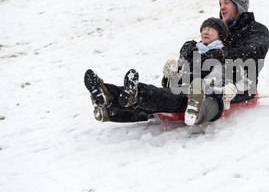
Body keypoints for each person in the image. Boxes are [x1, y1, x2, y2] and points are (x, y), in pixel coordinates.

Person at [84, 17, 236, 125]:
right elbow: (170, 84)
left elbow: (226, 77)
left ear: (221, 36)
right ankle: (108, 95)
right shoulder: (192, 54)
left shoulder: (223, 55)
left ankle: (131, 95)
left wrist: (227, 86)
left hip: (198, 96)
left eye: (211, 29)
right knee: (157, 96)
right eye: (203, 28)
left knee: (152, 96)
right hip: (178, 91)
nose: (205, 31)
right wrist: (169, 75)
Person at [218, 0, 269, 103]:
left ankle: (200, 108)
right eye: (220, 4)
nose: (222, 7)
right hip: (211, 78)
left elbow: (254, 51)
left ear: (239, 6)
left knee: (212, 90)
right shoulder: (218, 32)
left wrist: (222, 53)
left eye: (226, 3)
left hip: (242, 85)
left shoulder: (257, 30)